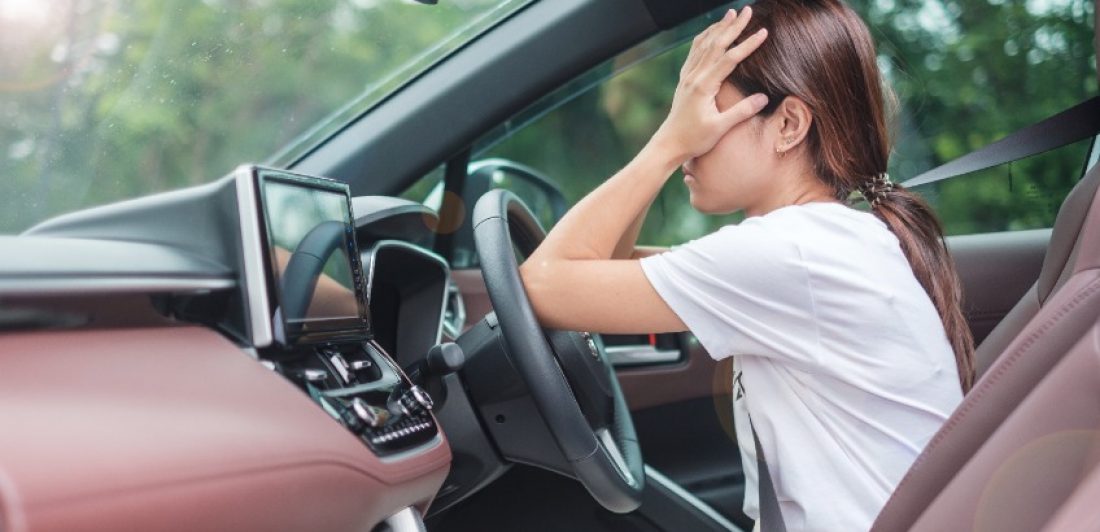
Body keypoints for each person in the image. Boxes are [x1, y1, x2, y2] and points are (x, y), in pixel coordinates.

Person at [517, 2, 975, 531]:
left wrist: (667, 144)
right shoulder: (822, 242)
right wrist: (676, 131)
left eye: (707, 108)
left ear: (788, 124)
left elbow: (541, 285)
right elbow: (602, 267)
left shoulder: (790, 253)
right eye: (686, 113)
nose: (691, 131)